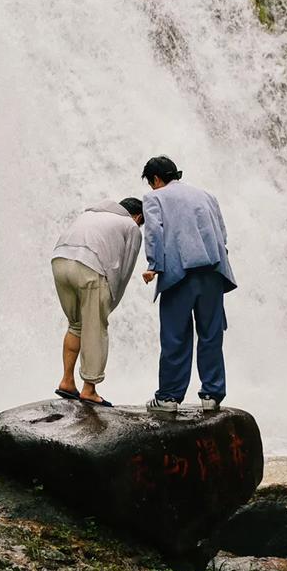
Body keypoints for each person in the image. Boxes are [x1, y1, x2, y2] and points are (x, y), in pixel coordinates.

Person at [140, 156, 236, 414]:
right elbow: (222, 233)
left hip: (179, 274)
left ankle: (169, 398)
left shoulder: (155, 198)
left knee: (175, 336)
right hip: (213, 271)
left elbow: (154, 233)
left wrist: (153, 266)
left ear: (156, 179)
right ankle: (212, 395)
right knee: (211, 334)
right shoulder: (207, 195)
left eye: (151, 183)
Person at [52, 198, 143, 406]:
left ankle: (67, 381)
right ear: (138, 216)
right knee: (95, 327)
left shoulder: (90, 213)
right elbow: (125, 270)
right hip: (89, 266)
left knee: (76, 325)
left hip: (59, 260)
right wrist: (110, 303)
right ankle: (89, 389)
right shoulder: (131, 226)